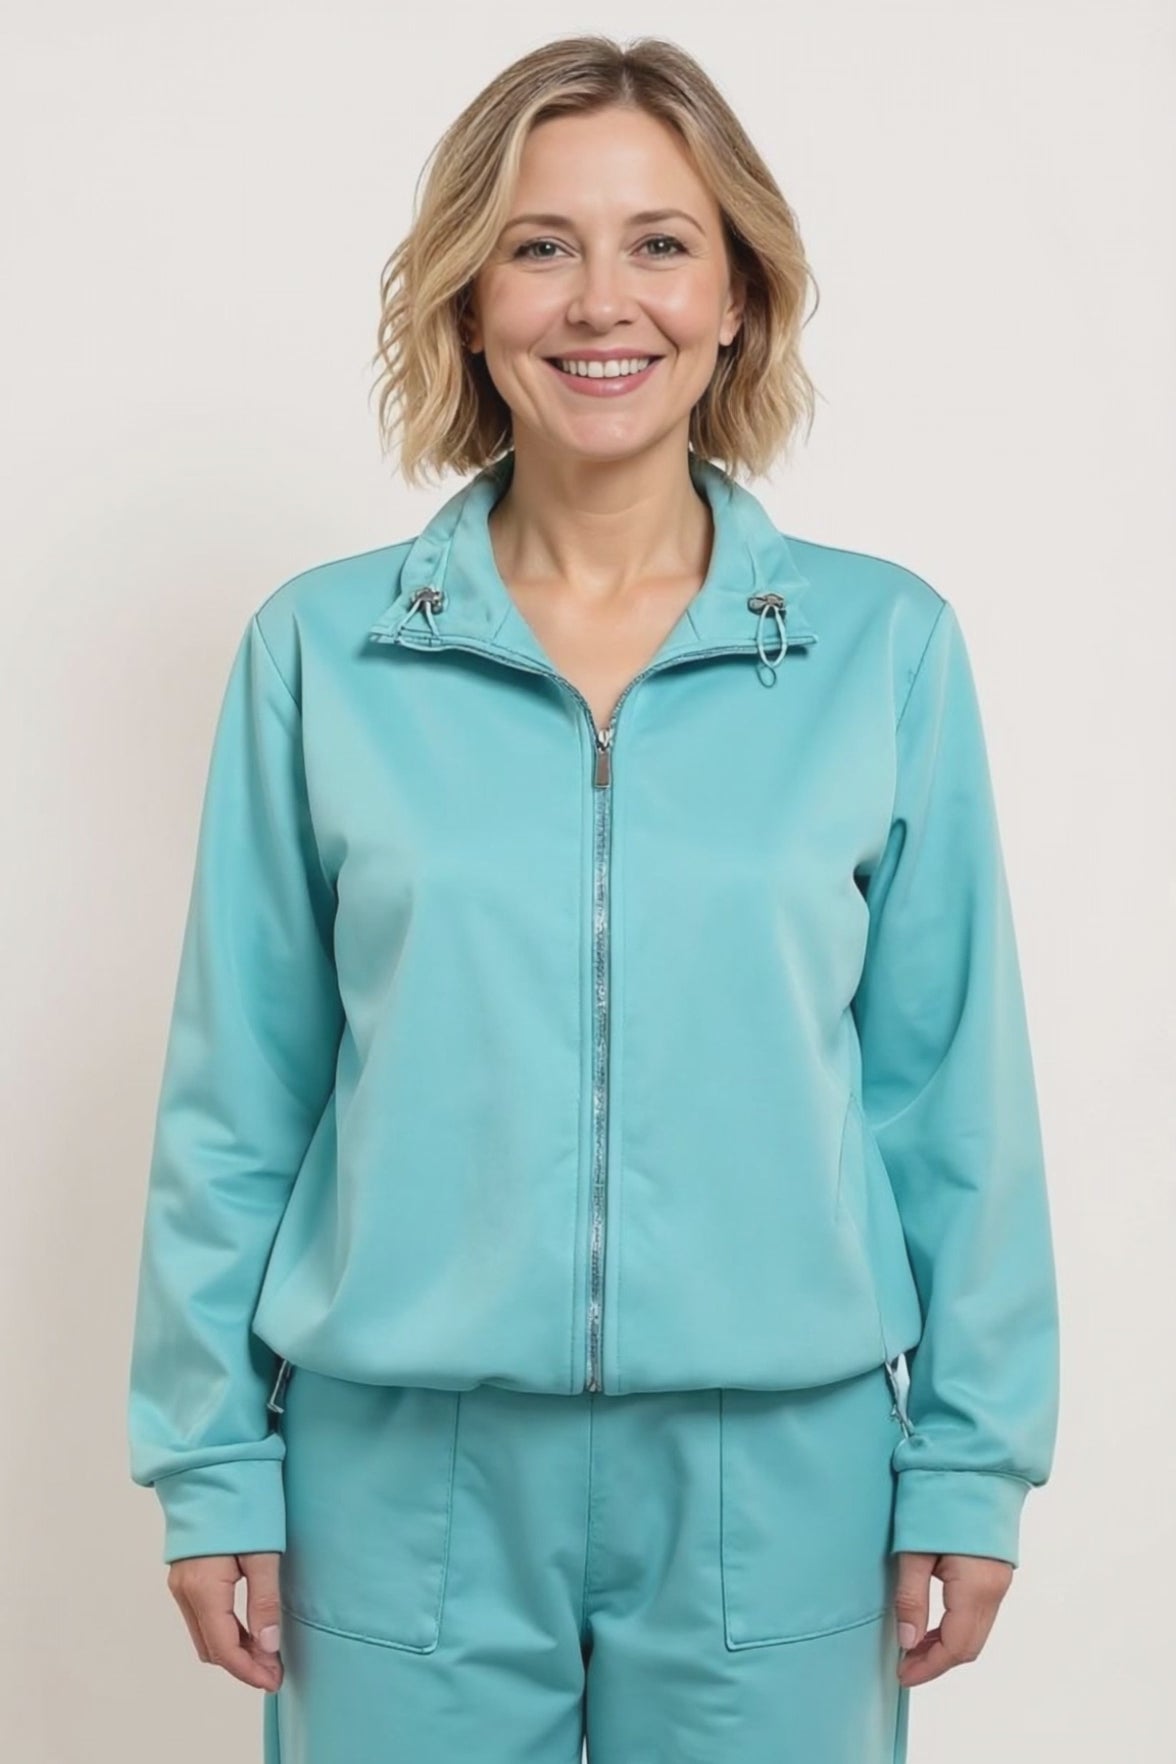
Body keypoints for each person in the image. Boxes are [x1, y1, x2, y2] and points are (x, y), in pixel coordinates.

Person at [126, 32, 1060, 1764]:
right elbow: (239, 1097)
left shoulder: (881, 650)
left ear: (736, 297)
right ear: (471, 297)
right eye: (541, 244)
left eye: (661, 243)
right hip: (397, 1473)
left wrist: (972, 1460)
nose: (600, 301)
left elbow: (952, 1097)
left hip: (780, 1477)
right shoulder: (322, 653)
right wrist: (209, 1460)